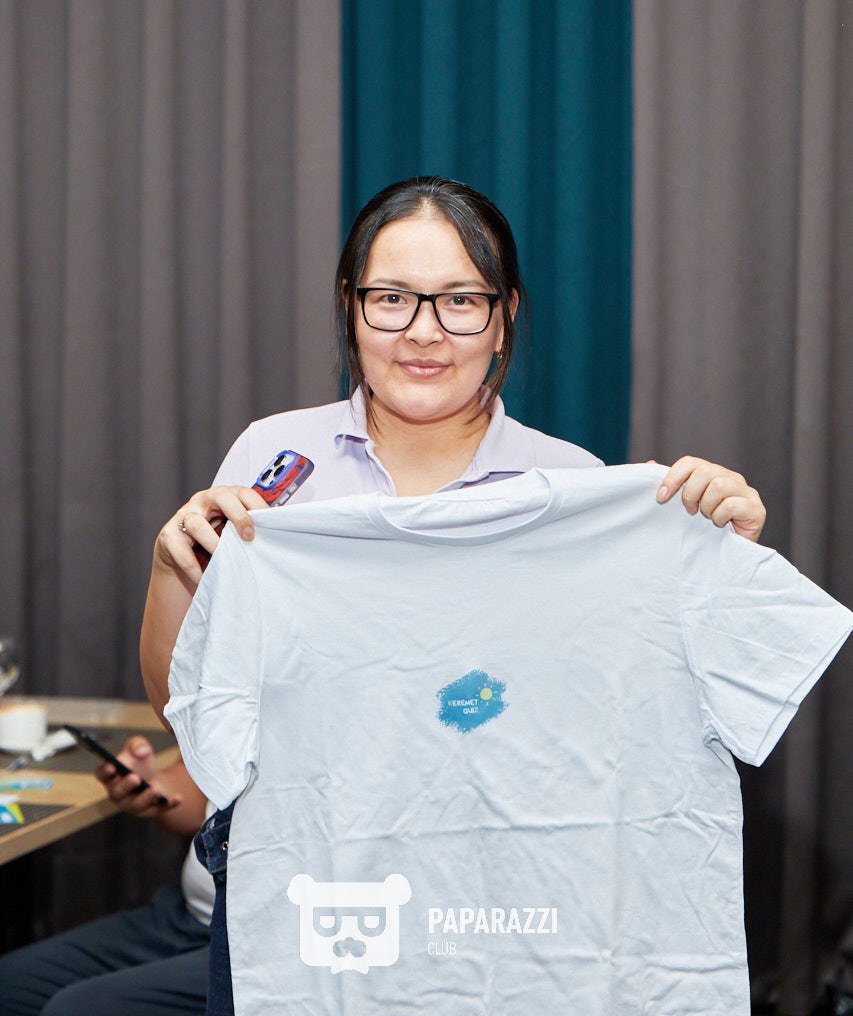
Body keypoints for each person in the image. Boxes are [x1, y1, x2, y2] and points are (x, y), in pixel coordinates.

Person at [139, 175, 767, 1012]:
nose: (423, 332)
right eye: (391, 298)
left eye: (461, 301)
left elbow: (636, 710)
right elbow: (187, 708)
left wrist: (718, 562)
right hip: (307, 898)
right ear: (349, 305)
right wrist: (171, 569)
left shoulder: (574, 487)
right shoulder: (274, 459)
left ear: (505, 316)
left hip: (502, 908)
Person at [0, 739, 211, 1016]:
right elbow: (203, 798)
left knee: (74, 1009)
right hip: (190, 918)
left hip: (252, 938)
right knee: (8, 986)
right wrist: (155, 786)